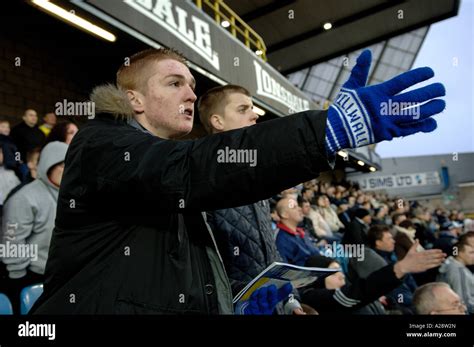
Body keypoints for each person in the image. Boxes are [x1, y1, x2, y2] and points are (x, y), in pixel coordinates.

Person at [31, 47, 446, 314]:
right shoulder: (99, 143)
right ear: (134, 99)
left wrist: (238, 307)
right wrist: (325, 131)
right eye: (175, 83)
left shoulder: (171, 175)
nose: (191, 94)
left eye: (193, 86)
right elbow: (190, 170)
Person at [198, 84, 305, 314]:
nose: (255, 114)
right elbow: (204, 270)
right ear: (218, 122)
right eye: (243, 109)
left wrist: (290, 299)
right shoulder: (203, 182)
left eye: (252, 108)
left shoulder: (255, 177)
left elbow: (270, 252)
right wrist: (245, 299)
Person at [1, 141, 68, 314]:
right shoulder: (25, 197)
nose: (67, 169)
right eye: (62, 164)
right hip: (31, 277)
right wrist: (18, 278)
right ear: (48, 165)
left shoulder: (70, 195)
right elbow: (12, 240)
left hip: (61, 275)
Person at [300, 242, 445, 314]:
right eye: (333, 272)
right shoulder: (312, 298)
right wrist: (400, 268)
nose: (341, 276)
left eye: (340, 271)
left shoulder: (346, 289)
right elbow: (358, 293)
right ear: (317, 277)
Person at [437, 239, 474, 314]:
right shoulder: (458, 271)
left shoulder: (452, 264)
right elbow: (465, 302)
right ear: (460, 253)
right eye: (471, 252)